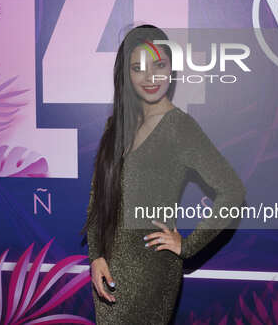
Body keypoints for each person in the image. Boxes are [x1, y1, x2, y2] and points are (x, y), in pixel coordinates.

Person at [80, 25, 246, 324]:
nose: (151, 77)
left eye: (160, 65)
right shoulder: (115, 127)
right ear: (126, 75)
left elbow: (232, 192)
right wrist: (96, 256)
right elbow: (98, 200)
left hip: (152, 270)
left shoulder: (179, 128)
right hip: (109, 270)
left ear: (172, 69)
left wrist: (189, 244)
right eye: (139, 68)